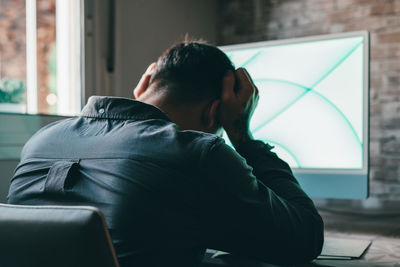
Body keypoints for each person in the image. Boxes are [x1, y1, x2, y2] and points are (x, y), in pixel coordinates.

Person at [8, 40, 323, 267]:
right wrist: (241, 133)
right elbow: (304, 238)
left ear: (144, 82)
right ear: (215, 111)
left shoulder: (41, 141)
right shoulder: (197, 153)